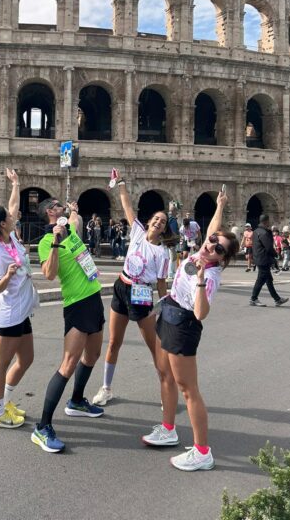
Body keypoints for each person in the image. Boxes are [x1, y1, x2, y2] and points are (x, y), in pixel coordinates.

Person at [142, 189, 239, 471]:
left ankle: (202, 451)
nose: (211, 247)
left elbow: (200, 313)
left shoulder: (210, 274)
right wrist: (220, 204)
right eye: (211, 242)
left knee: (188, 389)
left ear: (223, 259)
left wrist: (198, 280)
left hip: (184, 325)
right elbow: (212, 229)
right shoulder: (202, 251)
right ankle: (169, 428)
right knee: (165, 376)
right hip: (169, 314)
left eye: (218, 249)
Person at [31, 197, 105, 453]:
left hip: (94, 297)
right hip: (76, 304)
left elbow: (74, 218)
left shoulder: (72, 229)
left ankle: (76, 402)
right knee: (68, 365)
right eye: (58, 204)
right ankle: (43, 427)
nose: (62, 205)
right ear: (50, 212)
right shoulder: (44, 242)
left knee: (93, 355)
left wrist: (73, 211)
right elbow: (49, 274)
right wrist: (54, 241)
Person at [92, 170, 170, 407]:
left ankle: (166, 389)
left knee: (153, 345)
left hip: (143, 293)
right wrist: (122, 185)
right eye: (156, 219)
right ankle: (106, 388)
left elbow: (160, 283)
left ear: (164, 229)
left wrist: (163, 305)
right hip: (122, 285)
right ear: (149, 222)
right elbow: (126, 205)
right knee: (114, 342)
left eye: (163, 222)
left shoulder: (163, 252)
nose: (158, 222)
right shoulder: (136, 230)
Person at [0, 169, 37, 429]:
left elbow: (14, 206)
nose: (12, 215)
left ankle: (4, 401)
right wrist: (7, 275)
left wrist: (16, 183)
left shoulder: (11, 236)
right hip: (9, 313)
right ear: (2, 224)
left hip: (22, 309)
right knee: (0, 364)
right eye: (8, 217)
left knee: (27, 359)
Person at [249, 215, 289, 307]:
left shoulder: (256, 231)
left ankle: (277, 299)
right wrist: (276, 255)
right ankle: (253, 298)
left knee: (268, 280)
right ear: (266, 221)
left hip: (258, 257)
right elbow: (268, 247)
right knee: (261, 279)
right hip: (264, 258)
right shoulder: (264, 232)